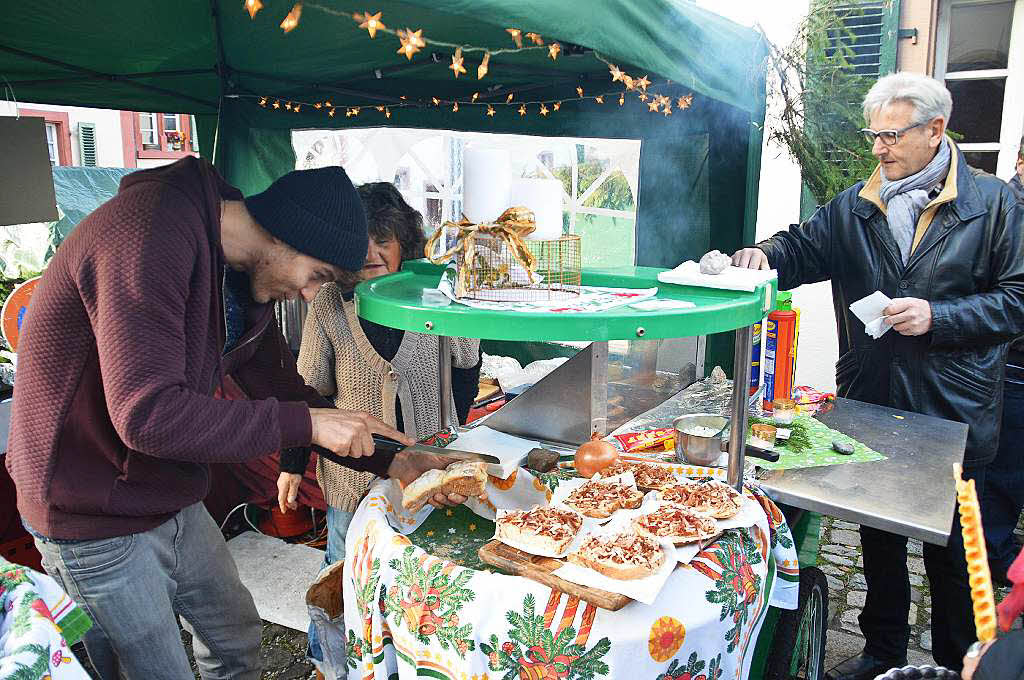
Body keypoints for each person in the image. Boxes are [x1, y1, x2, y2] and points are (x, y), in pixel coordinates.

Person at [4, 157, 475, 680]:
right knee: (157, 671)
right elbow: (147, 416)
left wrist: (393, 459)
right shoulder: (148, 234)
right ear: (286, 235)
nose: (310, 295)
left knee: (234, 638)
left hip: (168, 493)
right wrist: (310, 425)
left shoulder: (235, 270)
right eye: (316, 276)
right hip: (89, 506)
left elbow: (275, 383)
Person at [732, 72, 1024, 678]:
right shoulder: (855, 205)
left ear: (935, 130)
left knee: (957, 553)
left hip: (956, 412)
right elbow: (802, 248)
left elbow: (1017, 299)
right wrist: (765, 256)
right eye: (874, 135)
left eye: (891, 136)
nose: (878, 148)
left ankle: (957, 659)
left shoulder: (995, 203)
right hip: (870, 398)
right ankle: (882, 648)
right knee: (877, 540)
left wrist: (939, 316)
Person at [276, 182, 481, 668]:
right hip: (353, 479)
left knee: (423, 581)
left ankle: (403, 664)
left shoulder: (435, 297)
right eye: (361, 239)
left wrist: (452, 436)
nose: (370, 250)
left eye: (383, 239)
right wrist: (291, 464)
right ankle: (333, 665)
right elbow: (310, 393)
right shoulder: (328, 303)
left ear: (404, 246)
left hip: (430, 472)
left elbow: (466, 371)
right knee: (343, 578)